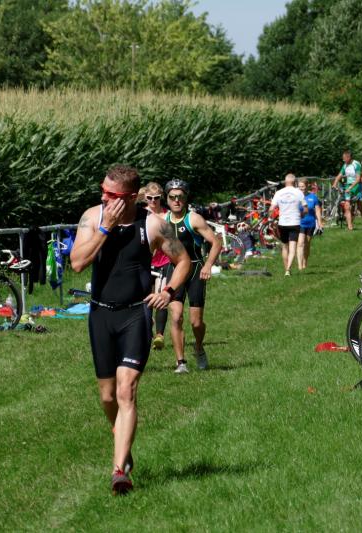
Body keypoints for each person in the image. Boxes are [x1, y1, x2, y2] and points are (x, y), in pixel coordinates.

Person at [70, 164, 191, 495]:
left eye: (111, 194)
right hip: (101, 315)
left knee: (126, 391)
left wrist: (168, 292)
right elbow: (77, 263)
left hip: (135, 315)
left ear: (131, 197)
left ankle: (119, 469)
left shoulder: (152, 224)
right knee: (108, 396)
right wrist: (105, 229)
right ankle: (121, 436)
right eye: (103, 191)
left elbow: (183, 261)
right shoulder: (92, 218)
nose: (104, 197)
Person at [163, 179, 222, 374]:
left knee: (196, 322)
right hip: (174, 271)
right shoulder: (162, 221)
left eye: (180, 197)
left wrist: (208, 265)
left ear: (186, 198)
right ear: (167, 199)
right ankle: (181, 362)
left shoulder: (194, 219)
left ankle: (198, 347)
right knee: (176, 316)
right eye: (172, 197)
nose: (176, 200)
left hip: (195, 270)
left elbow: (216, 242)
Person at [143, 182, 170, 350]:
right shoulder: (141, 214)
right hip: (145, 262)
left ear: (161, 198)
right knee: (146, 299)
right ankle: (147, 331)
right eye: (150, 198)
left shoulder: (167, 215)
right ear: (145, 198)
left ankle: (159, 335)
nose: (153, 201)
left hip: (165, 260)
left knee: (161, 297)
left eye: (157, 198)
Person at [270, 173, 307, 276]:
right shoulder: (299, 192)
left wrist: (271, 219)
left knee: (285, 246)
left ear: (285, 182)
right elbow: (305, 209)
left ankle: (287, 269)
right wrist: (302, 215)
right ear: (295, 182)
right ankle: (288, 269)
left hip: (282, 223)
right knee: (293, 246)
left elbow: (271, 209)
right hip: (295, 222)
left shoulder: (278, 193)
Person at [332, 149, 362, 231]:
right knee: (347, 206)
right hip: (348, 186)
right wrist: (335, 183)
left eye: (344, 158)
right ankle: (350, 227)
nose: (343, 160)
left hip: (357, 186)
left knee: (360, 207)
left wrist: (350, 188)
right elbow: (339, 175)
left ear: (349, 157)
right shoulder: (345, 165)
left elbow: (358, 179)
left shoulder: (356, 164)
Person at [297, 178, 322, 271]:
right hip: (300, 223)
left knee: (307, 244)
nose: (301, 188)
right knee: (300, 243)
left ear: (307, 186)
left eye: (303, 186)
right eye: (299, 187)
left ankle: (305, 262)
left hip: (311, 223)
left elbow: (317, 210)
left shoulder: (313, 197)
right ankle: (300, 266)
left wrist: (320, 222)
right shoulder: (296, 197)